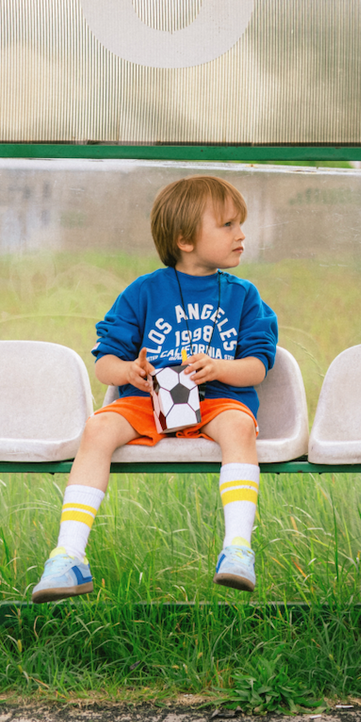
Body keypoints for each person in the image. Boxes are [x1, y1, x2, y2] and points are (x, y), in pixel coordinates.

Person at [31, 174, 278, 603]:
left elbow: (257, 367)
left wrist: (220, 366)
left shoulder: (245, 296)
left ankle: (237, 549)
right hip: (148, 401)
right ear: (184, 239)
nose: (241, 234)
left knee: (240, 427)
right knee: (97, 431)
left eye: (240, 224)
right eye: (227, 225)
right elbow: (105, 362)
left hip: (218, 401)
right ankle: (68, 556)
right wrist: (129, 372)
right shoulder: (143, 292)